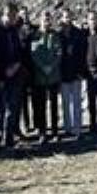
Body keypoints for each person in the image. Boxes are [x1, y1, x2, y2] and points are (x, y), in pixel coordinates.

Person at [31, 10, 62, 144]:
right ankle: (42, 132)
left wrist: (51, 66)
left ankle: (55, 131)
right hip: (40, 77)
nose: (46, 22)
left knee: (54, 106)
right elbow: (33, 54)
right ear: (40, 20)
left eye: (48, 19)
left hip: (53, 76)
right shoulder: (35, 36)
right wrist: (43, 67)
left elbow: (59, 53)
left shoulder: (55, 35)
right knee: (41, 106)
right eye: (44, 19)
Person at [0, 2, 23, 148]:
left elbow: (19, 50)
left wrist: (16, 65)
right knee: (2, 109)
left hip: (15, 75)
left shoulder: (14, 30)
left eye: (14, 16)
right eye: (9, 15)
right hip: (1, 77)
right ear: (4, 14)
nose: (11, 18)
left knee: (12, 109)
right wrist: (2, 73)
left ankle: (8, 137)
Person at [59, 8, 86, 139]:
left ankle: (77, 128)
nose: (67, 19)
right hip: (63, 74)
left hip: (76, 73)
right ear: (61, 19)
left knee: (76, 103)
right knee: (65, 103)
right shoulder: (58, 34)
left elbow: (83, 54)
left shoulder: (78, 34)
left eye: (69, 17)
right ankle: (67, 128)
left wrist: (81, 72)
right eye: (65, 17)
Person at [16, 6, 36, 135]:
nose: (25, 16)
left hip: (34, 68)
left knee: (35, 97)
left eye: (26, 13)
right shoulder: (16, 30)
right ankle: (26, 124)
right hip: (21, 69)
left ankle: (37, 123)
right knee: (22, 99)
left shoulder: (35, 29)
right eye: (22, 14)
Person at [84, 11, 97, 133]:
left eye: (94, 19)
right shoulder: (84, 34)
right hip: (89, 72)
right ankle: (92, 123)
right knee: (91, 100)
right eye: (90, 19)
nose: (93, 21)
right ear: (87, 21)